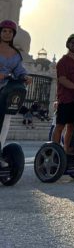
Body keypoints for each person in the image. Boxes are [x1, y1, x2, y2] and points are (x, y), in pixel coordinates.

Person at [0, 20, 31, 166]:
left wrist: (25, 76)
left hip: (6, 90)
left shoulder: (16, 54)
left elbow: (19, 70)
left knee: (5, 121)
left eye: (10, 32)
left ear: (13, 34)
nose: (7, 34)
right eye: (4, 31)